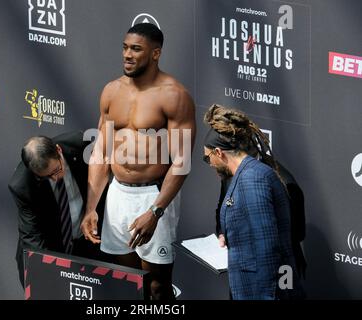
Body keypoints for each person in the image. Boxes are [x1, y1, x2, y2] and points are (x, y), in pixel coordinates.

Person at [80, 23, 196, 300]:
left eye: (136, 49)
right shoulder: (111, 91)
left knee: (158, 287)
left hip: (153, 195)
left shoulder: (174, 95)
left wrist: (155, 212)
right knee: (128, 283)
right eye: (125, 47)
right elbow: (101, 152)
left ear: (155, 54)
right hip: (118, 193)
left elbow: (181, 161)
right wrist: (91, 206)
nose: (127, 55)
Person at [202, 104, 304, 300]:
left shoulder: (253, 180)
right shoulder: (243, 174)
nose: (209, 164)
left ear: (218, 152)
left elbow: (266, 249)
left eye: (208, 158)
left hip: (261, 290)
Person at [8, 132, 106, 287]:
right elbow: (32, 236)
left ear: (59, 150)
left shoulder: (81, 145)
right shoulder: (22, 185)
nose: (55, 178)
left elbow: (102, 175)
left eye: (56, 170)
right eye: (45, 177)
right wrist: (48, 270)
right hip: (51, 245)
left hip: (88, 242)